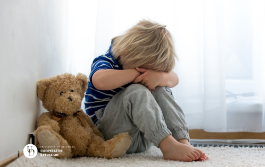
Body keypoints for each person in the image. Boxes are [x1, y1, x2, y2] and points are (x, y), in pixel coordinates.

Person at [84, 20, 208, 162]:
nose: (145, 74)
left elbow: (175, 79)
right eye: (142, 69)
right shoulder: (106, 60)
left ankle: (181, 140)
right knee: (136, 91)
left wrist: (158, 77)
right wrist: (135, 74)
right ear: (125, 54)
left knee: (160, 88)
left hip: (142, 137)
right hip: (109, 136)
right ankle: (168, 146)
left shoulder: (145, 68)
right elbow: (100, 80)